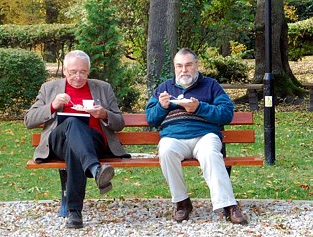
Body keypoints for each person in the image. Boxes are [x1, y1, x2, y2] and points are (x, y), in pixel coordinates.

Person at [24, 50, 128, 229]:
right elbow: (29, 120)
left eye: (83, 72)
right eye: (73, 72)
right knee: (72, 122)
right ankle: (95, 170)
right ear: (64, 70)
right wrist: (53, 105)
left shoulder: (103, 88)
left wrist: (103, 114)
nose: (78, 77)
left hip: (94, 143)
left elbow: (119, 123)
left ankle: (75, 213)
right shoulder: (49, 89)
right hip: (58, 142)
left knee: (75, 148)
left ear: (89, 71)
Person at [145, 48, 248, 225]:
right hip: (174, 138)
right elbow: (150, 118)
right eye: (179, 66)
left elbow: (226, 113)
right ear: (175, 68)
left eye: (188, 65)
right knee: (166, 150)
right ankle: (182, 203)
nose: (184, 70)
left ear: (196, 65)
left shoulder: (211, 85)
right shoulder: (165, 88)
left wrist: (199, 108)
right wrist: (161, 106)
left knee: (210, 154)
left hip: (205, 136)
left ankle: (228, 204)